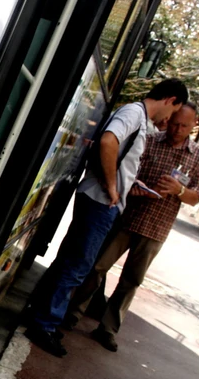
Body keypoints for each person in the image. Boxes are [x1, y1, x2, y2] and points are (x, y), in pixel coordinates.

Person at [24, 78, 189, 357]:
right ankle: (44, 324)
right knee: (78, 265)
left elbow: (116, 152)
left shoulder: (137, 116)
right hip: (101, 202)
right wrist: (112, 185)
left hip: (101, 200)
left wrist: (125, 182)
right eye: (173, 112)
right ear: (170, 100)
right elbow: (108, 141)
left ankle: (40, 315)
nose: (168, 120)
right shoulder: (135, 113)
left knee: (71, 260)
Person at [64, 103, 199, 352]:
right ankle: (73, 312)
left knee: (131, 281)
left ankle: (107, 329)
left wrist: (179, 190)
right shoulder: (150, 140)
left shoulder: (198, 156)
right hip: (126, 217)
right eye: (174, 123)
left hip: (156, 228)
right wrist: (136, 186)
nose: (177, 129)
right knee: (97, 267)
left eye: (184, 126)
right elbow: (126, 168)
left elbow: (196, 197)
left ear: (194, 124)